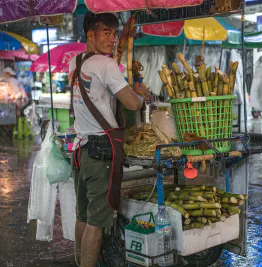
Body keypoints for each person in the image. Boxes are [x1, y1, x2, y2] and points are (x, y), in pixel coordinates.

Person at [70, 12, 149, 267]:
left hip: (81, 151)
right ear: (90, 33)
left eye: (114, 33)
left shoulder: (76, 62)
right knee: (97, 222)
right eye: (107, 32)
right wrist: (141, 96)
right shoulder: (106, 66)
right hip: (100, 153)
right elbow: (130, 102)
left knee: (83, 216)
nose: (112, 38)